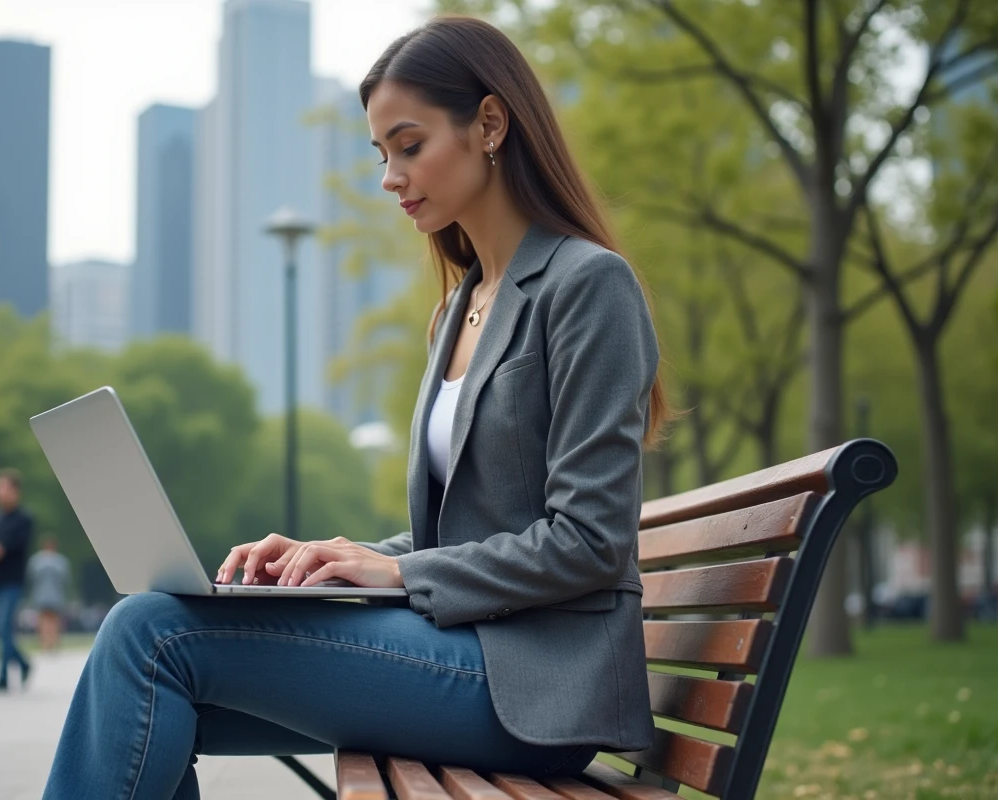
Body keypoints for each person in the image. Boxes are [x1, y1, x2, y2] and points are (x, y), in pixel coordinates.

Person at [43, 16, 667, 798]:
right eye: (381, 155)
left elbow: (590, 541)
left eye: (409, 146)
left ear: (489, 124)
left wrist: (395, 570)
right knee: (153, 662)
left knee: (150, 634)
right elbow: (466, 534)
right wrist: (337, 559)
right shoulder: (460, 309)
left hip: (537, 685)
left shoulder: (587, 286)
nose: (390, 177)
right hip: (464, 650)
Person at [0, 468, 34, 693]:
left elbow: (19, 543)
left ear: (15, 491)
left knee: (3, 626)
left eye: (3, 488)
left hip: (13, 582)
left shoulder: (24, 519)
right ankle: (22, 663)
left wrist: (1, 548)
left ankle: (2, 677)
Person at [27, 536, 71, 653]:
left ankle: (47, 642)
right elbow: (65, 579)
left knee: (47, 620)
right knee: (51, 619)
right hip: (52, 594)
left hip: (45, 594)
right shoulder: (60, 561)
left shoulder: (36, 561)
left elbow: (31, 578)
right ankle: (50, 642)